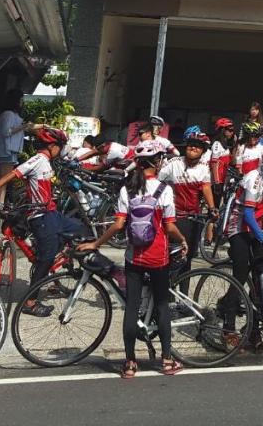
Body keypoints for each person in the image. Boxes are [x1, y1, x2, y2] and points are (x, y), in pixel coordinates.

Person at [79, 141, 187, 377]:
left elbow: (118, 225)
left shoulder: (127, 189)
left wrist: (96, 244)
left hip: (134, 257)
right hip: (158, 256)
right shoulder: (164, 190)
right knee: (161, 305)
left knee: (131, 307)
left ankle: (129, 363)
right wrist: (183, 240)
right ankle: (167, 361)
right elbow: (170, 228)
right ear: (157, 162)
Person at [0, 126, 82, 316]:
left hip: (52, 214)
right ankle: (30, 302)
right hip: (41, 216)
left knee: (80, 229)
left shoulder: (48, 161)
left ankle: (50, 274)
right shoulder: (38, 160)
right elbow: (11, 174)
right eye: (60, 146)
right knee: (46, 258)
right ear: (52, 146)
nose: (61, 149)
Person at [219, 152, 263, 352]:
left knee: (260, 274)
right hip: (238, 228)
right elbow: (248, 215)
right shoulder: (255, 178)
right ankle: (228, 329)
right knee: (241, 274)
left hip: (254, 230)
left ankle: (253, 331)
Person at [159, 129, 216, 272]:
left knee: (188, 259)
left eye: (198, 146)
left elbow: (206, 188)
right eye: (191, 144)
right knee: (173, 257)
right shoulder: (174, 163)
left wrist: (212, 208)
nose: (193, 147)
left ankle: (183, 291)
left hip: (194, 217)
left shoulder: (204, 168)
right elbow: (158, 183)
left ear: (203, 151)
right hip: (176, 216)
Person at [0, 89, 30, 197]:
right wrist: (23, 126)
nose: (22, 102)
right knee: (3, 179)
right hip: (6, 150)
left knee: (5, 180)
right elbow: (7, 132)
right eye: (21, 99)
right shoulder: (8, 114)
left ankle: (0, 204)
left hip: (10, 151)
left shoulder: (12, 114)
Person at [210, 118, 237, 188]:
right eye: (230, 130)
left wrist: (235, 145)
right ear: (222, 130)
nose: (232, 133)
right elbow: (214, 163)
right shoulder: (217, 144)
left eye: (233, 130)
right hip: (217, 182)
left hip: (223, 179)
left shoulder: (226, 145)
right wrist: (216, 182)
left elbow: (233, 163)